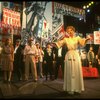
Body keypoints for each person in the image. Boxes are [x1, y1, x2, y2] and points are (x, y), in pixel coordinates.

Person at [52, 26, 91, 95]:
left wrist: (87, 39)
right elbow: (59, 43)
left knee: (76, 71)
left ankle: (77, 88)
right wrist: (54, 43)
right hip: (69, 55)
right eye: (68, 31)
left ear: (73, 31)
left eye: (71, 30)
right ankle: (70, 89)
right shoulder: (66, 39)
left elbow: (82, 43)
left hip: (75, 55)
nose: (70, 32)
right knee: (69, 72)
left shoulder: (77, 38)